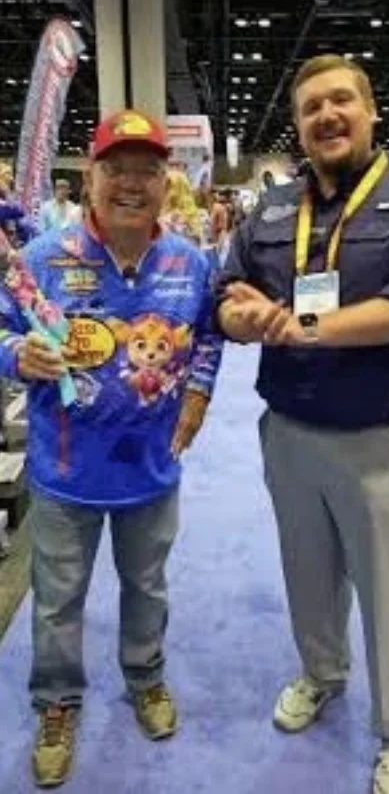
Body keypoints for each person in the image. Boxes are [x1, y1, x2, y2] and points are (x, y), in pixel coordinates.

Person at [217, 54, 389, 794]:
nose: (327, 115)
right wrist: (243, 317)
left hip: (384, 436)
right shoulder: (272, 207)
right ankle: (322, 674)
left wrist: (305, 330)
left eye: (341, 100)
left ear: (371, 111)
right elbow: (226, 293)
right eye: (312, 106)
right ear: (300, 126)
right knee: (308, 578)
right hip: (290, 433)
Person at [0, 108, 223, 788]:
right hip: (66, 472)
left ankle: (145, 677)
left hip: (152, 472)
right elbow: (1, 333)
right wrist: (18, 356)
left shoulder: (190, 261)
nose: (132, 183)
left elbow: (209, 337)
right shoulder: (42, 260)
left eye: (147, 171)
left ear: (166, 181)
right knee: (58, 599)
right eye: (117, 169)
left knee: (147, 587)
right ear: (91, 176)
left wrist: (198, 395)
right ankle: (58, 702)